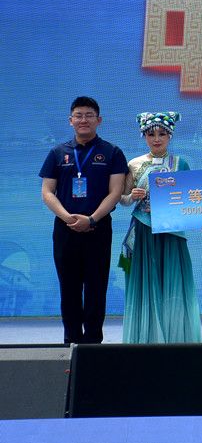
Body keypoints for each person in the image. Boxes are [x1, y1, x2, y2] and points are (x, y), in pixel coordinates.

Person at [40, 96, 127, 344]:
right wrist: (67, 217)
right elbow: (47, 192)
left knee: (96, 288)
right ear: (70, 121)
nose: (83, 120)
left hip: (98, 229)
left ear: (99, 120)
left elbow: (115, 192)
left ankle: (93, 344)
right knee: (68, 288)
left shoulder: (112, 152)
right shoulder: (58, 153)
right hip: (65, 230)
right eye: (78, 115)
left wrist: (91, 219)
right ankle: (72, 341)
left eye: (89, 115)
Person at [118, 111, 201, 343]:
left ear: (170, 136)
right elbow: (122, 199)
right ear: (144, 136)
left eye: (162, 134)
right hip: (143, 230)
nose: (156, 139)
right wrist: (132, 196)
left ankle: (175, 336)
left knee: (173, 281)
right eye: (151, 134)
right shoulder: (134, 164)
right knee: (145, 282)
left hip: (171, 231)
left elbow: (191, 198)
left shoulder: (180, 163)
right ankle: (146, 336)